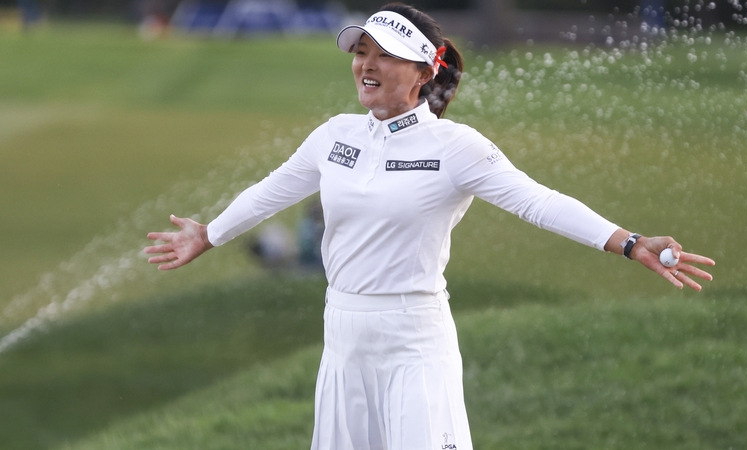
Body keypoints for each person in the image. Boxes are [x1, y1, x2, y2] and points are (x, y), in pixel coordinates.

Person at [144, 3, 715, 449]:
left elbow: (537, 202)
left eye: (384, 55)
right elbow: (271, 191)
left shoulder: (455, 147)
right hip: (342, 337)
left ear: (423, 71)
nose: (367, 64)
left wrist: (630, 242)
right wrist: (209, 234)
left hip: (414, 339)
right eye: (361, 51)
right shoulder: (334, 135)